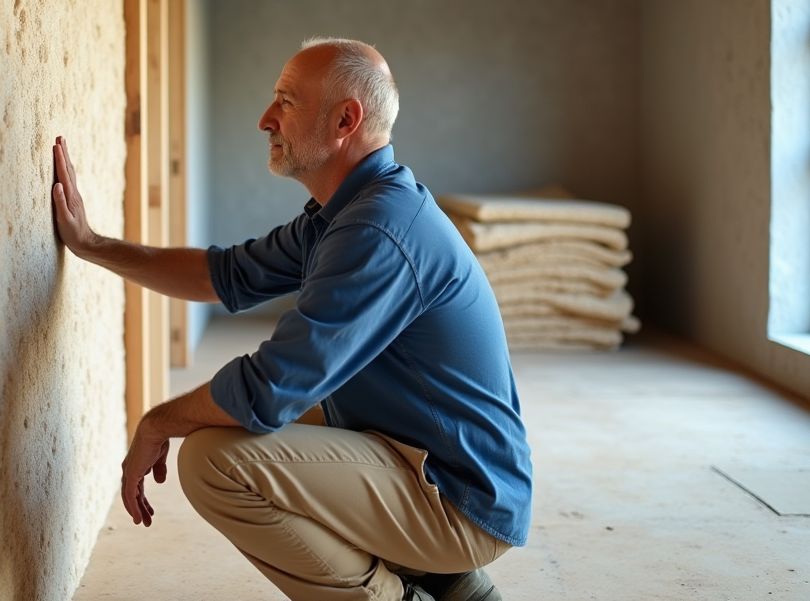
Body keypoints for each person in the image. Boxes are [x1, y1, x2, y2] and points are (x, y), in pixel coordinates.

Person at [51, 38, 532, 601]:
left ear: (345, 120)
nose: (265, 118)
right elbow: (221, 275)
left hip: (460, 499)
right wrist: (92, 245)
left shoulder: (377, 231)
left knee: (213, 460)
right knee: (231, 424)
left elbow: (271, 387)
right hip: (430, 459)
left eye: (286, 101)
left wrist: (156, 422)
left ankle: (404, 590)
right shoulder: (348, 213)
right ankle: (451, 583)